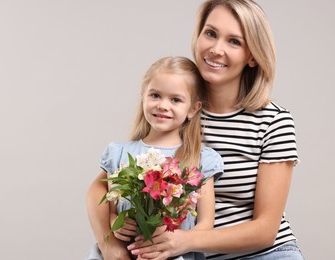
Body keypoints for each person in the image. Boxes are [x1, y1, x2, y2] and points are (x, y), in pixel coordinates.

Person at [124, 0, 304, 259]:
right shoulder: (175, 107)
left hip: (265, 254)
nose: (216, 49)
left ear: (252, 55)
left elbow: (266, 230)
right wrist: (111, 244)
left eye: (234, 42)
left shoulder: (273, 121)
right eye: (210, 34)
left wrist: (185, 241)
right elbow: (118, 175)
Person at [85, 56, 224, 260]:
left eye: (175, 99)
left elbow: (205, 224)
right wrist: (115, 221)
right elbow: (105, 203)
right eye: (155, 95)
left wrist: (175, 242)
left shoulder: (200, 160)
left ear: (193, 109)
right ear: (143, 96)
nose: (163, 105)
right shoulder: (119, 153)